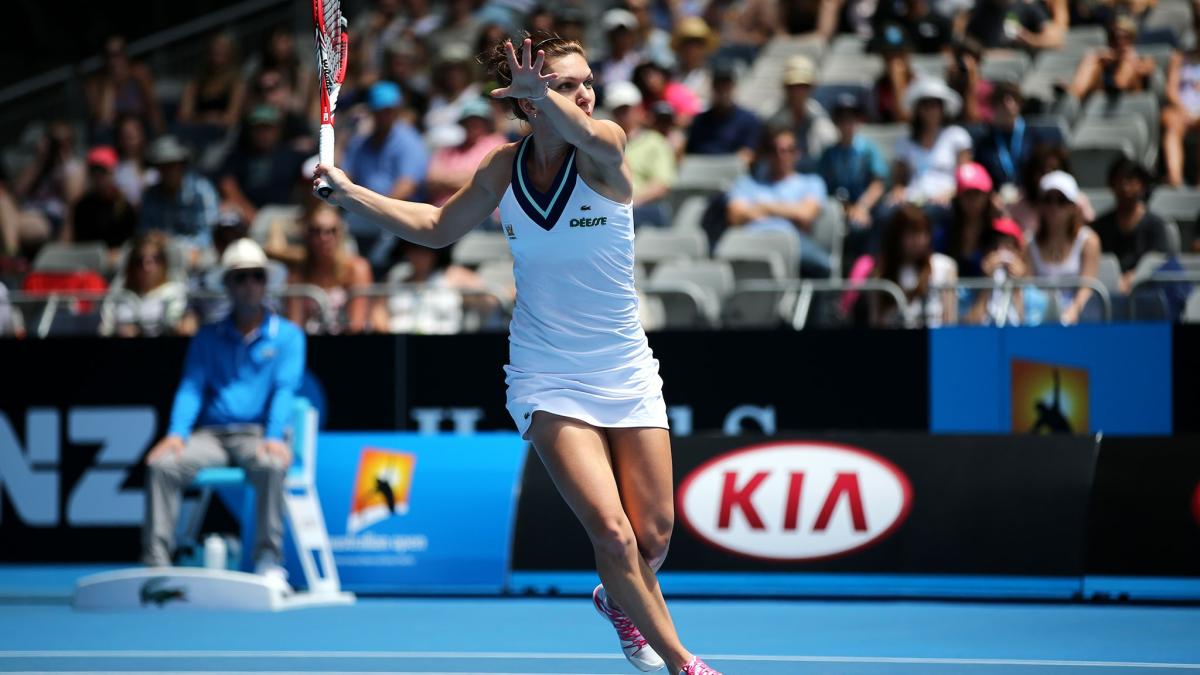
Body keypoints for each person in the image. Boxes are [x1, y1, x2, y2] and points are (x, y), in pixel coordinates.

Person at [313, 34, 722, 675]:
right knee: (612, 534)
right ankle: (683, 663)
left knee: (654, 537)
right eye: (564, 85)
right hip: (546, 373)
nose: (584, 92)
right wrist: (349, 194)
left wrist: (550, 100)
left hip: (625, 368)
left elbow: (594, 134)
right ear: (526, 102)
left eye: (586, 81)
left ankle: (617, 598)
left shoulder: (606, 150)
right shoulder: (503, 169)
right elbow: (436, 228)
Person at [142, 237, 303, 589]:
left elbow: (284, 391)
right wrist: (175, 434)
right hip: (211, 438)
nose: (250, 285)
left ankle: (268, 560)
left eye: (257, 277)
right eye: (241, 277)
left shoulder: (289, 337)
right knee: (162, 466)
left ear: (265, 283)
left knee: (272, 465)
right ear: (228, 284)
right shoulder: (207, 337)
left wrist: (275, 436)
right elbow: (191, 388)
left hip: (258, 435)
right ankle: (156, 567)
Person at [727, 127, 832, 277]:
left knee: (822, 266)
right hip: (751, 241)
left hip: (792, 241)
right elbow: (735, 216)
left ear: (797, 153)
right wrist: (789, 211)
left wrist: (763, 207)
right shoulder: (746, 183)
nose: (781, 155)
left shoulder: (811, 182)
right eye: (774, 150)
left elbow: (805, 214)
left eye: (788, 150)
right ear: (766, 154)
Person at [342, 82, 429, 261]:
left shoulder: (410, 141)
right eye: (380, 110)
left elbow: (407, 186)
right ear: (372, 111)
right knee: (338, 228)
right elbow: (346, 177)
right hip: (362, 212)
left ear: (397, 110)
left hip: (398, 216)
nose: (385, 115)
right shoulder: (359, 142)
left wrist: (374, 208)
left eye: (389, 110)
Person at [286, 204, 377, 334]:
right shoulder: (297, 273)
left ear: (340, 234)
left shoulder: (357, 268)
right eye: (316, 231)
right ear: (308, 236)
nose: (323, 238)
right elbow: (294, 326)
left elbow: (357, 325)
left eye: (331, 231)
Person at [1027, 171, 1101, 324]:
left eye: (1061, 201)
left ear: (1073, 207)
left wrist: (1071, 314)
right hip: (1038, 320)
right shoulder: (1028, 242)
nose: (1054, 207)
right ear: (1040, 205)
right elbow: (1028, 289)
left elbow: (1086, 288)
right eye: (1048, 200)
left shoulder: (1089, 241)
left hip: (1079, 321)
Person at [1091, 157, 1173, 292]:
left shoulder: (1156, 225)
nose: (1125, 187)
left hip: (1147, 291)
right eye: (1119, 180)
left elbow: (1159, 263)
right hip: (1109, 290)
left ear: (1142, 185)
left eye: (1131, 180)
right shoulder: (1101, 225)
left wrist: (1134, 277)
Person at [870, 203, 959, 327]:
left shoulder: (945, 267)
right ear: (897, 237)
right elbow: (876, 323)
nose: (920, 240)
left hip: (933, 342)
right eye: (912, 234)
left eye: (924, 233)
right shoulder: (880, 273)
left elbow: (949, 322)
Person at [217, 105, 307, 223]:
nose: (263, 133)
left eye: (268, 128)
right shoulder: (238, 156)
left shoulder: (292, 156)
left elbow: (309, 181)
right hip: (247, 213)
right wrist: (250, 214)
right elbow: (227, 184)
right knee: (225, 212)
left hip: (284, 213)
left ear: (278, 130)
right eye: (258, 128)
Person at [139, 136, 220, 265]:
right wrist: (153, 239)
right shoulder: (150, 194)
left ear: (182, 165)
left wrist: (173, 243)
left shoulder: (202, 191)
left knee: (208, 259)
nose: (168, 171)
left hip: (194, 253)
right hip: (158, 255)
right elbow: (144, 231)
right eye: (163, 166)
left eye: (172, 165)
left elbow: (209, 235)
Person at [606, 81, 677, 229]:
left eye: (626, 109)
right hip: (613, 208)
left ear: (638, 109)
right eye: (618, 110)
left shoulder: (655, 142)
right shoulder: (605, 144)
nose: (623, 115)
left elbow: (661, 185)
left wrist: (630, 202)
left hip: (643, 208)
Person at [972, 82, 1063, 193]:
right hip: (997, 201)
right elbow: (981, 177)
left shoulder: (1037, 137)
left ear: (1020, 104)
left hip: (1032, 198)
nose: (1007, 105)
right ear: (993, 106)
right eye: (1001, 100)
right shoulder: (984, 143)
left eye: (1012, 99)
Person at [894, 78, 973, 204]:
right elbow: (899, 181)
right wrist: (898, 192)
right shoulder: (905, 141)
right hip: (912, 199)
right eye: (925, 106)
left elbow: (965, 176)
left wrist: (950, 194)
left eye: (934, 105)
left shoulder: (957, 135)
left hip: (948, 199)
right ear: (918, 110)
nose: (930, 111)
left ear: (942, 109)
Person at [818, 93, 889, 234]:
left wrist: (862, 207)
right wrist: (846, 208)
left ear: (858, 120)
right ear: (835, 122)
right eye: (842, 119)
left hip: (867, 207)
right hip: (839, 208)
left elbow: (878, 185)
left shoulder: (868, 150)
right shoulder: (829, 154)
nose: (847, 124)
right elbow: (825, 188)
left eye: (851, 118)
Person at [101, 231, 189, 337]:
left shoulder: (174, 292)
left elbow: (175, 327)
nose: (147, 267)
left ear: (164, 263)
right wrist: (119, 330)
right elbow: (105, 329)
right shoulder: (118, 293)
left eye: (155, 259)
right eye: (140, 260)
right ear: (132, 265)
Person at [425, 98, 509, 208]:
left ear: (487, 123)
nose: (473, 124)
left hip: (480, 215)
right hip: (442, 211)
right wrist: (467, 179)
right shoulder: (447, 151)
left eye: (478, 120)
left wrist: (446, 181)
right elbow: (431, 181)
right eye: (469, 121)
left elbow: (487, 180)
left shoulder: (496, 143)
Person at [66, 146, 137, 265]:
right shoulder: (82, 207)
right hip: (87, 262)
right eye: (94, 172)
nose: (99, 177)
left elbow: (129, 243)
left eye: (103, 172)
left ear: (112, 172)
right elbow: (79, 243)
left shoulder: (125, 207)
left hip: (118, 263)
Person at [684, 61, 762, 165]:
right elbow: (688, 154)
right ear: (713, 88)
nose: (723, 91)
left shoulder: (749, 120)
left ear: (734, 87)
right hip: (700, 174)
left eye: (726, 85)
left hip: (733, 176)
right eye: (718, 86)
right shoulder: (698, 121)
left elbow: (747, 156)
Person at [766, 55, 838, 163]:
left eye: (803, 86)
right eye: (793, 87)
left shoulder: (819, 117)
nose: (798, 92)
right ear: (785, 88)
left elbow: (830, 145)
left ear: (811, 88)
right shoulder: (770, 117)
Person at [964, 217, 1035, 325]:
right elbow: (971, 327)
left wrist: (1016, 288)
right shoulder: (969, 290)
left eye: (1008, 247)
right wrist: (986, 284)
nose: (1000, 253)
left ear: (1020, 253)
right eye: (994, 246)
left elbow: (1028, 333)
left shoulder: (1034, 295)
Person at [1068, 13, 1155, 101]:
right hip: (1104, 93)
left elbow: (1146, 71)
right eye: (1115, 37)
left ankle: (1116, 87)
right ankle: (1072, 95)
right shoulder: (1103, 59)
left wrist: (1131, 60)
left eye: (1125, 37)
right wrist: (1104, 61)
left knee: (1127, 62)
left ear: (1132, 38)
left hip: (1131, 96)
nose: (1120, 42)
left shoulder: (1144, 58)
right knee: (1090, 59)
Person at [176, 32, 247, 137]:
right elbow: (183, 116)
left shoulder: (237, 83)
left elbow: (231, 118)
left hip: (222, 136)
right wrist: (208, 118)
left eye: (223, 50)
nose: (217, 53)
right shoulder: (195, 82)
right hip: (194, 131)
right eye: (215, 50)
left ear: (231, 53)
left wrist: (199, 118)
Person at [943, 162, 1002, 278]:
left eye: (977, 194)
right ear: (958, 197)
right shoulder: (945, 233)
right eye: (966, 194)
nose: (972, 200)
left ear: (987, 196)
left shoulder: (998, 233)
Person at [1161, 33, 1200, 186]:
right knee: (1171, 123)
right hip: (1181, 110)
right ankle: (1175, 179)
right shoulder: (1179, 59)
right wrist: (1185, 111)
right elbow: (1170, 90)